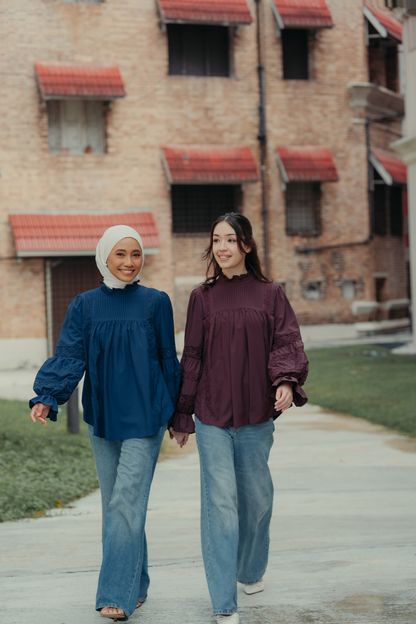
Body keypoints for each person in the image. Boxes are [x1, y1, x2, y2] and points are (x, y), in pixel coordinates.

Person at [29, 225, 181, 622]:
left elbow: (168, 359)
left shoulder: (156, 302)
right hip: (102, 420)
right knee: (118, 508)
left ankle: (116, 593)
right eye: (120, 254)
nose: (130, 262)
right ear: (104, 257)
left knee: (125, 506)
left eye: (135, 254)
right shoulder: (84, 305)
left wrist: (180, 414)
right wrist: (48, 395)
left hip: (145, 419)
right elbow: (70, 354)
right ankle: (139, 582)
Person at [170, 213, 309, 624]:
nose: (223, 247)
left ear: (246, 245)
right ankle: (222, 602)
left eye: (231, 239)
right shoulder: (202, 297)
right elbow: (191, 356)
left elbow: (286, 342)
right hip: (212, 415)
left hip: (255, 416)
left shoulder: (271, 294)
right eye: (216, 240)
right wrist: (183, 413)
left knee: (257, 499)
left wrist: (285, 381)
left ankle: (250, 569)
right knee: (220, 504)